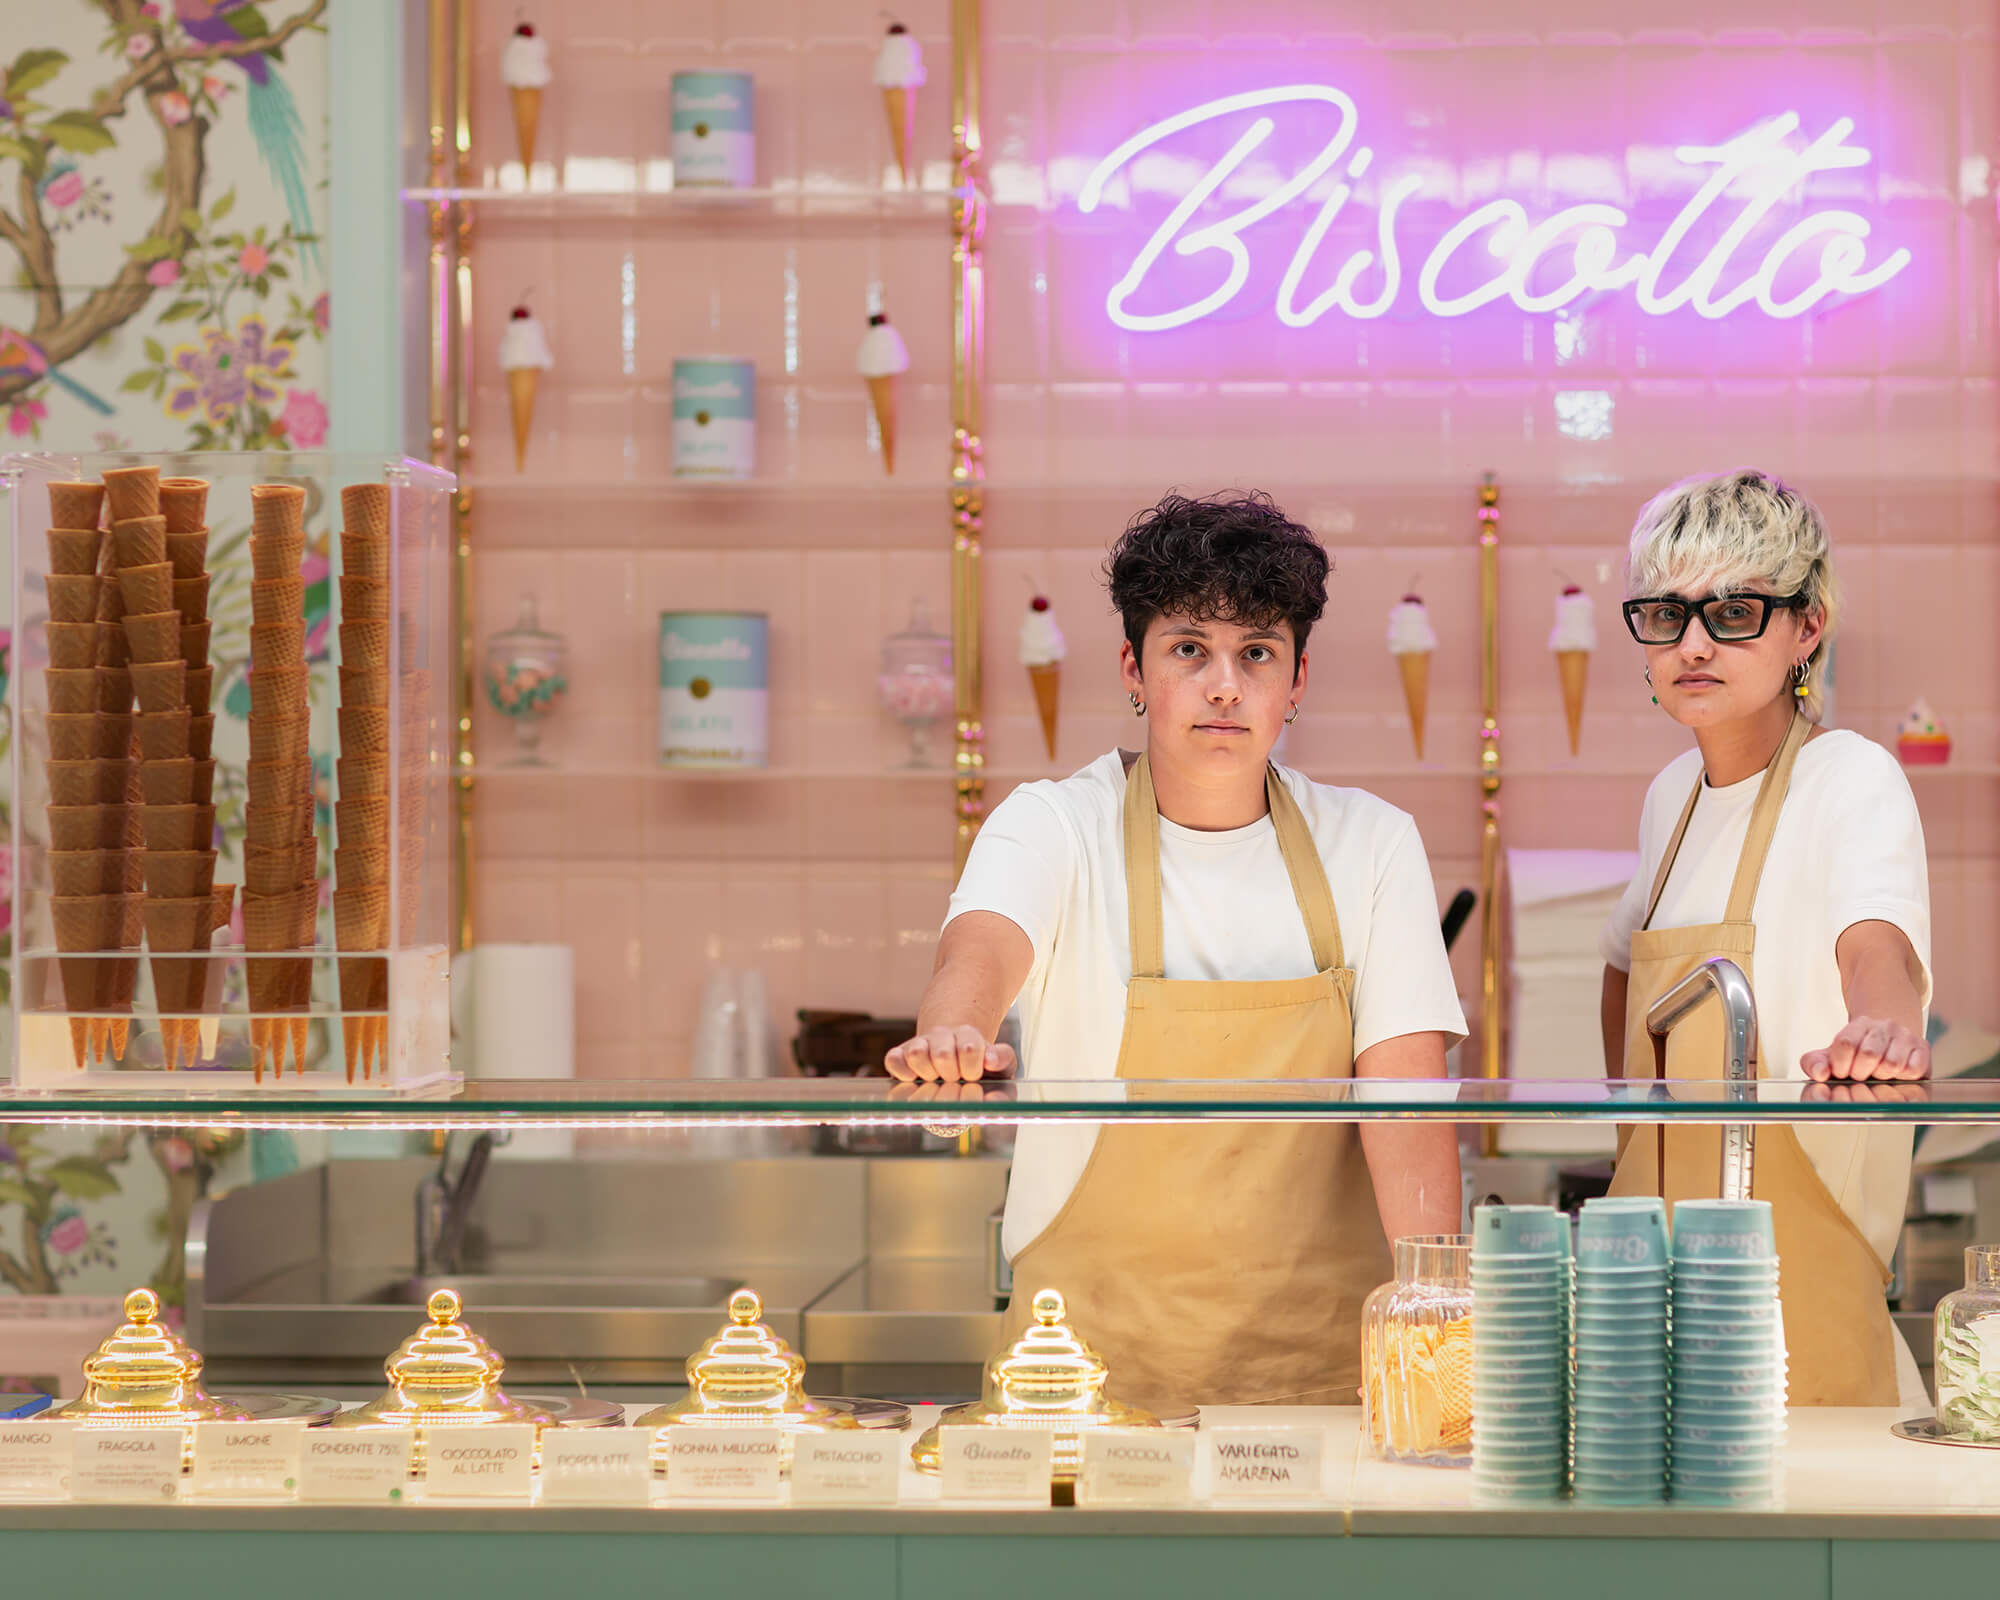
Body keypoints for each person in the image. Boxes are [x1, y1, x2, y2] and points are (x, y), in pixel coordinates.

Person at [886, 491, 1466, 1412]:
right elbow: (981, 948)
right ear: (1135, 666)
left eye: (1257, 654)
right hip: (1081, 1373)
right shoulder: (1053, 824)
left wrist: (1440, 1337)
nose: (1224, 685)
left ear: (1297, 681)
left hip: (1317, 1383)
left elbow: (1406, 1096)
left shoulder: (1372, 842)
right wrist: (953, 1033)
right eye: (1189, 648)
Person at [1599, 469, 1932, 1407]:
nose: (1695, 644)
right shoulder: (1671, 795)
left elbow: (1880, 944)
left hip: (1796, 1284)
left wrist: (1883, 1030)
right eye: (1666, 615)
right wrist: (1634, 1140)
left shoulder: (1849, 777)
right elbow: (1624, 963)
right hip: (1651, 1277)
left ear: (1807, 626)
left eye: (1735, 611)